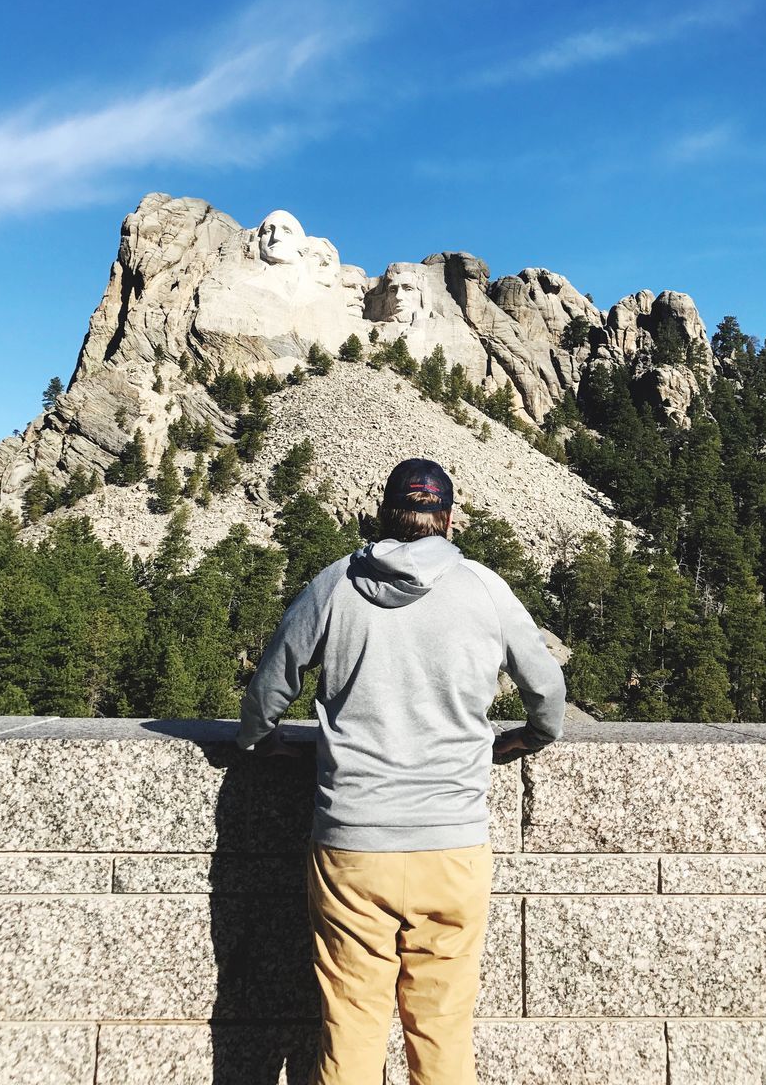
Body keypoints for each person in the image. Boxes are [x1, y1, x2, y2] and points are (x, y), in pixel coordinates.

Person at [233, 456, 566, 1085]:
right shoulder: (485, 589)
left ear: (384, 513)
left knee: (351, 1029)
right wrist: (524, 740)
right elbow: (548, 694)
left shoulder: (335, 584)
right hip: (452, 846)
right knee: (441, 1033)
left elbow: (267, 693)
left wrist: (261, 744)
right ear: (447, 518)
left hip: (353, 844)